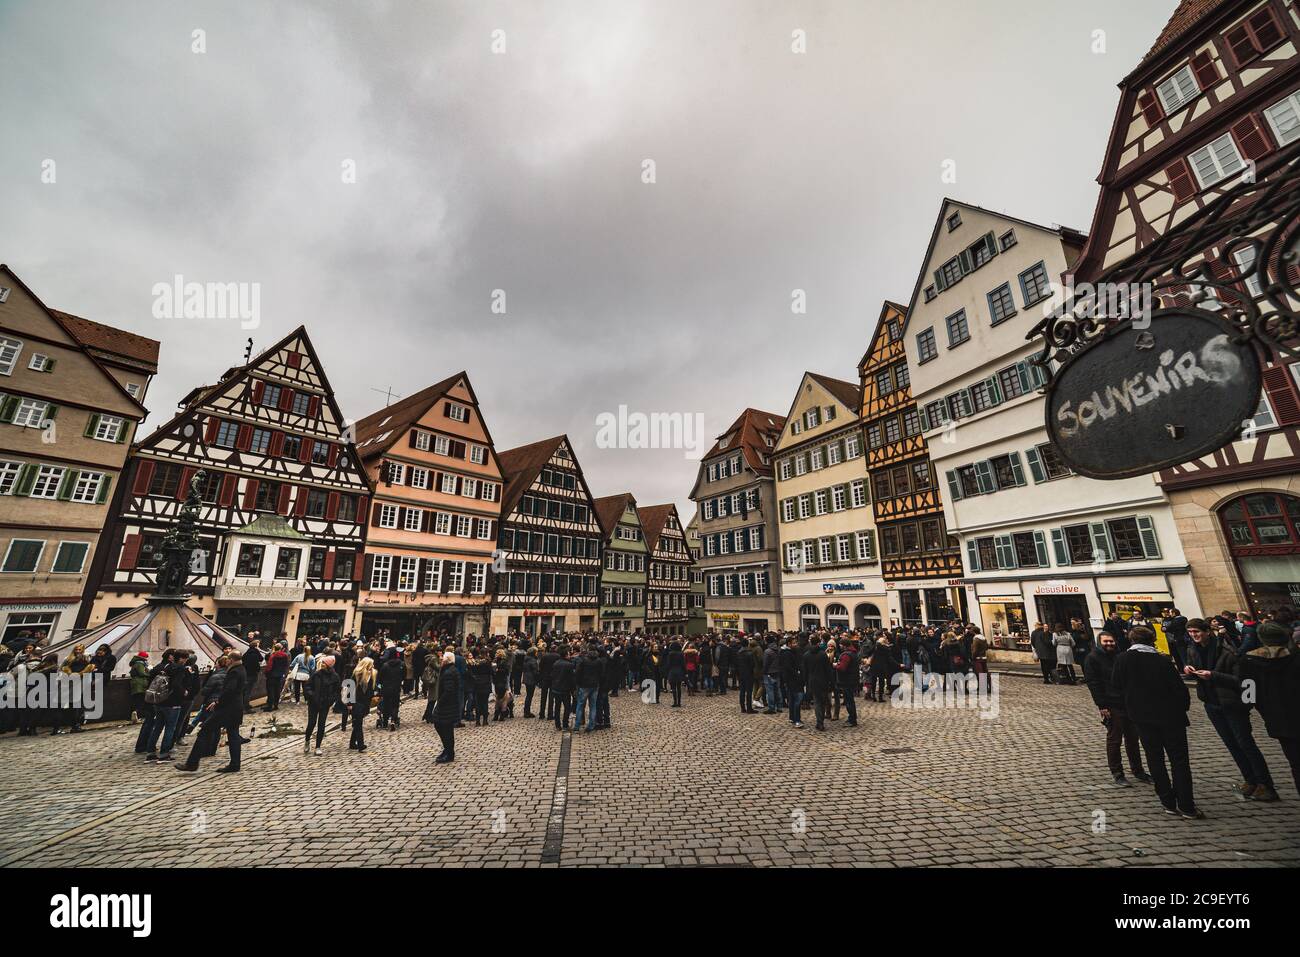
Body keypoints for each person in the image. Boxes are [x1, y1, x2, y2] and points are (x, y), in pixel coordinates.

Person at [1112, 626, 1203, 820]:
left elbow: (1117, 687)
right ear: (1151, 640)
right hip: (1171, 717)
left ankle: (1167, 801)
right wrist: (1182, 707)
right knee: (1179, 760)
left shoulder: (1122, 660)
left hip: (1142, 718)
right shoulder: (1162, 660)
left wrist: (1130, 708)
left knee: (1155, 759)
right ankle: (1186, 805)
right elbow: (1179, 689)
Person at [1183, 618, 1276, 802]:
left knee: (1245, 743)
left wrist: (1213, 675)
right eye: (1191, 632)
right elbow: (1193, 666)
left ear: (1208, 631)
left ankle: (1265, 784)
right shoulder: (1192, 650)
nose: (1194, 635)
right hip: (1211, 702)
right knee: (1231, 744)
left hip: (1232, 704)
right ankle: (1250, 780)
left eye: (1196, 631)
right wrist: (1189, 669)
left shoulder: (1228, 651)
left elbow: (1243, 681)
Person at [1235, 619, 1300, 797]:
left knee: (1296, 763)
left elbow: (1247, 696)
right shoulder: (1295, 656)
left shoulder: (1248, 661)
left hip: (1278, 719)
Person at [1085, 631, 1150, 787]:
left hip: (1128, 702)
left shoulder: (1120, 655)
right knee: (1114, 740)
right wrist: (1102, 705)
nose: (1109, 644)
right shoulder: (1092, 658)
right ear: (1099, 642)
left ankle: (1138, 770)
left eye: (1111, 641)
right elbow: (1094, 683)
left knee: (1133, 739)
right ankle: (1117, 773)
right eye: (1106, 641)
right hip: (1111, 703)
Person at [176, 655, 246, 774]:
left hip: (226, 709)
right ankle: (235, 764)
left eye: (228, 659)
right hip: (236, 707)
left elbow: (229, 690)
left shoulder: (234, 672)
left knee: (204, 731)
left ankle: (192, 763)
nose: (227, 661)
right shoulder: (241, 669)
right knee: (233, 734)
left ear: (232, 660)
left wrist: (218, 702)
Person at [303, 655, 341, 756]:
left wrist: (331, 700)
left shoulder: (335, 677)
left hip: (325, 703)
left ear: (329, 665)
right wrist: (311, 695)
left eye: (324, 663)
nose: (322, 664)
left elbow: (337, 691)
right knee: (311, 723)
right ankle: (307, 741)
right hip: (313, 703)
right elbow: (307, 686)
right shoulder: (316, 674)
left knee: (321, 724)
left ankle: (318, 746)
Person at [432, 651, 460, 763]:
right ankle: (448, 750)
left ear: (447, 660)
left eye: (442, 659)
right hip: (449, 705)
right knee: (444, 728)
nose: (441, 660)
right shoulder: (449, 670)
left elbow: (449, 691)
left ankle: (449, 752)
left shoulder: (449, 672)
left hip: (447, 706)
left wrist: (440, 702)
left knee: (444, 728)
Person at [804, 637, 832, 731]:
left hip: (812, 681)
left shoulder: (806, 655)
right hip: (823, 680)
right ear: (818, 643)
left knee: (817, 702)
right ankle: (821, 722)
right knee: (822, 702)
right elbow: (828, 669)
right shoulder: (823, 654)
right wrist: (831, 681)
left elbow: (805, 671)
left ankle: (819, 722)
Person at [349, 656, 376, 753]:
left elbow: (371, 689)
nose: (372, 666)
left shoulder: (372, 675)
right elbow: (350, 689)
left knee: (357, 723)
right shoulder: (357, 674)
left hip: (365, 702)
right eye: (371, 665)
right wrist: (350, 703)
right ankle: (361, 744)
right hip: (356, 702)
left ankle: (352, 743)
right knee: (359, 724)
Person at [575, 646, 602, 731]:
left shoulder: (584, 660)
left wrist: (578, 683)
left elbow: (578, 672)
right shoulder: (598, 661)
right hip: (594, 685)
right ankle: (591, 725)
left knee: (580, 705)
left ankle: (577, 725)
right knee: (593, 705)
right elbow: (601, 673)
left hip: (584, 685)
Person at [550, 648, 576, 730]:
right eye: (568, 654)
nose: (569, 655)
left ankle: (557, 725)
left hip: (556, 688)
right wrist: (573, 689)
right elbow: (571, 678)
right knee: (567, 707)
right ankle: (565, 724)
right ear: (565, 655)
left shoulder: (556, 663)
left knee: (557, 707)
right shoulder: (570, 665)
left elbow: (553, 675)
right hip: (565, 689)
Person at [378, 651, 404, 731]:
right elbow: (403, 675)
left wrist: (381, 684)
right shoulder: (401, 665)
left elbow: (380, 677)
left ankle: (385, 722)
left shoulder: (385, 665)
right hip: (396, 687)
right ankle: (393, 720)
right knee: (395, 704)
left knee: (386, 704)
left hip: (386, 688)